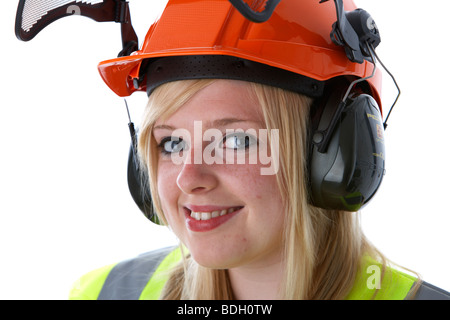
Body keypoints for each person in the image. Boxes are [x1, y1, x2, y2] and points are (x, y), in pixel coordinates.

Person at [65, 0, 449, 300]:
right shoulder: (105, 293)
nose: (188, 178)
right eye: (172, 143)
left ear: (333, 156)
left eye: (235, 141)